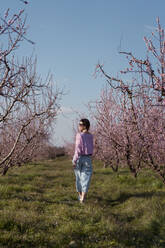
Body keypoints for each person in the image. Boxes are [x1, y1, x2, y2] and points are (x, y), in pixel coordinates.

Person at [72, 118, 93, 203]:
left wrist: (74, 160)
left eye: (80, 124)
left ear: (85, 126)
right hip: (88, 158)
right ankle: (82, 197)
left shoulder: (79, 135)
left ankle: (81, 196)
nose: (79, 126)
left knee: (78, 178)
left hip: (79, 158)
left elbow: (77, 149)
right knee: (86, 178)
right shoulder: (91, 136)